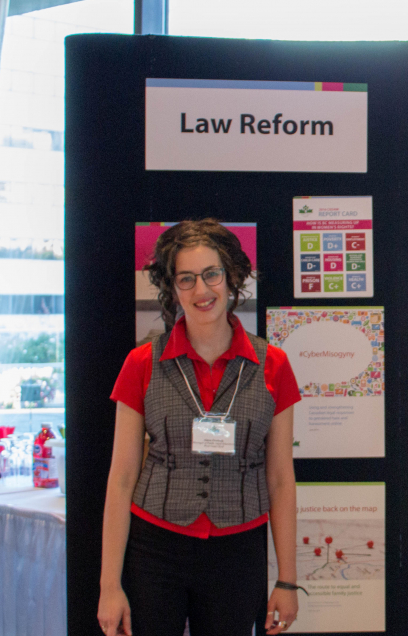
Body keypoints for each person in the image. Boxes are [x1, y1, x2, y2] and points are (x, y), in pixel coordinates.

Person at [97, 220, 302, 636]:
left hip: (238, 550)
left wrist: (286, 579)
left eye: (211, 274)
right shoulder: (141, 364)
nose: (201, 290)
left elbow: (280, 478)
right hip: (154, 546)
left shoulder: (274, 365)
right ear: (172, 289)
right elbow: (121, 478)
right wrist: (109, 586)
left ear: (231, 278)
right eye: (186, 279)